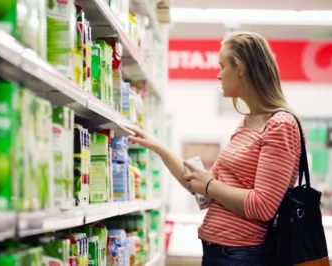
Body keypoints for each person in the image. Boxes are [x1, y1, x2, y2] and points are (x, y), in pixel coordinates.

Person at [128, 31, 301, 266]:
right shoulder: (246, 123)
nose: (218, 75)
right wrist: (158, 148)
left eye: (222, 66)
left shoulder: (280, 125)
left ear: (240, 68)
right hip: (217, 251)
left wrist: (210, 185)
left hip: (242, 255)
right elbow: (202, 189)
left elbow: (263, 206)